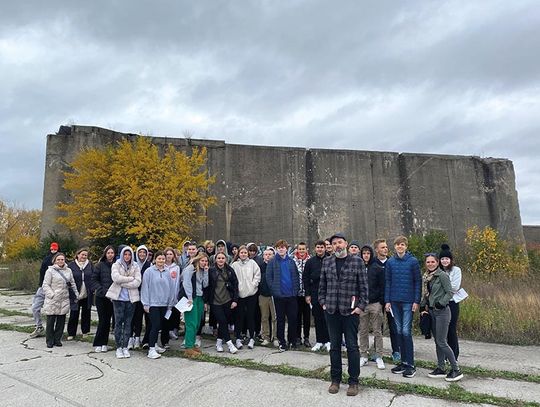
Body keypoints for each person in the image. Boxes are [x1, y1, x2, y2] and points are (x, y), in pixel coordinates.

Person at [319, 233, 368, 397]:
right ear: (331, 246)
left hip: (350, 312)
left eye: (340, 242)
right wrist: (323, 302)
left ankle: (353, 382)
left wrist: (360, 307)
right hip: (332, 310)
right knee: (334, 347)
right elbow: (322, 286)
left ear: (346, 244)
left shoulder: (357, 261)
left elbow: (364, 288)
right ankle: (335, 380)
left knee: (353, 347)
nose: (337, 245)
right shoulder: (327, 261)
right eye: (334, 243)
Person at [421, 253, 463, 382]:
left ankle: (456, 369)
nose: (430, 264)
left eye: (433, 262)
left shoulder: (442, 276)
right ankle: (441, 368)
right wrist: (423, 307)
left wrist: (442, 303)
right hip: (432, 312)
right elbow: (426, 294)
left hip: (442, 312)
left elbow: (450, 292)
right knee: (437, 342)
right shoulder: (426, 277)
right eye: (428, 262)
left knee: (442, 342)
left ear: (437, 262)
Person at [384, 236, 421, 378]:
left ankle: (411, 365)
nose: (400, 247)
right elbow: (388, 282)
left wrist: (416, 301)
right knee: (398, 331)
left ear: (406, 246)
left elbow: (417, 282)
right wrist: (387, 301)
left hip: (408, 302)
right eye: (398, 244)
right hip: (394, 301)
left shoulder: (413, 262)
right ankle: (403, 362)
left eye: (402, 244)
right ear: (394, 247)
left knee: (406, 331)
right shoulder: (390, 262)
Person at [106, 246, 142, 359]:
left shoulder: (135, 266)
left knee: (128, 323)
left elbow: (138, 281)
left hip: (131, 299)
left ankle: (125, 347)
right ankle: (118, 347)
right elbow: (115, 278)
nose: (127, 256)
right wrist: (130, 278)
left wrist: (124, 281)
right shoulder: (116, 265)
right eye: (125, 254)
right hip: (118, 298)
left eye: (129, 254)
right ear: (122, 255)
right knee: (118, 323)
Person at [141, 251, 177, 359]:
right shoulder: (149, 271)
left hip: (164, 304)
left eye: (163, 259)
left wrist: (170, 303)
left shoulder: (167, 272)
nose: (161, 261)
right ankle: (151, 349)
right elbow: (145, 288)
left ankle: (155, 345)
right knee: (155, 325)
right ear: (155, 259)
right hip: (153, 304)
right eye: (159, 258)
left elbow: (171, 288)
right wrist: (146, 303)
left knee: (158, 326)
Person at [266, 239, 300, 352]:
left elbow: (296, 276)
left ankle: (292, 341)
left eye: (283, 247)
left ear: (286, 249)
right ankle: (282, 342)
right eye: (279, 247)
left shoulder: (291, 262)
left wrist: (295, 291)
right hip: (279, 296)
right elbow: (268, 278)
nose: (281, 249)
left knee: (293, 319)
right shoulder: (272, 262)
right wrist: (274, 291)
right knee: (280, 320)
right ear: (276, 249)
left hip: (291, 296)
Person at [42, 252, 79, 348]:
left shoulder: (69, 271)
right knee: (51, 321)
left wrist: (76, 294)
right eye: (58, 259)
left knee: (61, 321)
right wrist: (51, 295)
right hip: (53, 299)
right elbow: (45, 285)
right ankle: (49, 340)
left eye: (62, 259)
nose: (60, 261)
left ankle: (57, 339)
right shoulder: (50, 271)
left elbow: (72, 283)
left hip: (64, 299)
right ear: (54, 261)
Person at [373, 239, 400, 363]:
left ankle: (396, 351)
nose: (385, 249)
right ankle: (377, 352)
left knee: (393, 325)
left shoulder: (392, 262)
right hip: (378, 300)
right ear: (377, 250)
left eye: (386, 247)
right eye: (382, 247)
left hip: (391, 300)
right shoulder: (373, 263)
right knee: (378, 327)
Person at [359, 245, 385, 369]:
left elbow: (382, 286)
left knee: (377, 331)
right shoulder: (358, 268)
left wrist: (381, 302)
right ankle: (363, 355)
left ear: (371, 254)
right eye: (364, 253)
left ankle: (379, 356)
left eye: (368, 253)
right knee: (363, 331)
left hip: (375, 303)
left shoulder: (377, 268)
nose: (366, 255)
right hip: (362, 304)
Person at [208, 252, 239, 354]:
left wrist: (235, 300)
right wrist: (206, 300)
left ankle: (219, 342)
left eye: (222, 258)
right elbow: (207, 286)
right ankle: (230, 344)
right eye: (219, 258)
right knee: (222, 321)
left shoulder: (230, 270)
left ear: (225, 259)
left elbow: (235, 285)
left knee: (224, 321)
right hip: (215, 301)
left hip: (227, 300)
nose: (221, 260)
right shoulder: (211, 270)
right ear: (215, 259)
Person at [232, 245, 261, 349]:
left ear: (248, 253)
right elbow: (232, 279)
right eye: (241, 253)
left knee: (251, 316)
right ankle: (238, 338)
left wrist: (253, 285)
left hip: (251, 294)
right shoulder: (235, 265)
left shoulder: (252, 263)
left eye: (245, 252)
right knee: (239, 317)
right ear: (238, 254)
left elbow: (257, 275)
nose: (243, 254)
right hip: (239, 295)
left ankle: (252, 337)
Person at [304, 240, 330, 352]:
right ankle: (319, 341)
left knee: (328, 319)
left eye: (322, 247)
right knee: (318, 318)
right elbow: (305, 278)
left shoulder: (330, 260)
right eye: (318, 247)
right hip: (315, 293)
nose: (320, 249)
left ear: (325, 248)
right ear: (315, 249)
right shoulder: (310, 262)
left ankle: (329, 341)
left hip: (329, 294)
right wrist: (307, 294)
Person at [181, 252, 210, 357]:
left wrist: (206, 272)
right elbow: (186, 283)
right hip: (191, 298)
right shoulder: (190, 269)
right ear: (198, 260)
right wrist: (189, 298)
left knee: (197, 323)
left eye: (206, 261)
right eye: (202, 261)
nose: (204, 263)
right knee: (191, 323)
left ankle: (192, 344)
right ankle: (188, 347)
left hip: (199, 298)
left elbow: (205, 284)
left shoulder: (203, 270)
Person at [29, 242, 59, 339]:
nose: (53, 251)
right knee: (35, 307)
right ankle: (39, 327)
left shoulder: (62, 260)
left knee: (54, 311)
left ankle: (55, 332)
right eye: (52, 249)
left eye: (55, 249)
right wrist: (41, 286)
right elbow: (42, 273)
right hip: (43, 287)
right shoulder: (46, 259)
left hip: (55, 289)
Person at [439, 244, 462, 360]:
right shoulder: (438, 271)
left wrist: (441, 289)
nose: (444, 261)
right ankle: (444, 356)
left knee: (451, 329)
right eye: (442, 259)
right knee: (442, 331)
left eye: (447, 259)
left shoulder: (456, 270)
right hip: (440, 304)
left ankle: (454, 356)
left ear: (451, 260)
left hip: (452, 303)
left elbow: (454, 287)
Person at [90, 245, 115, 353]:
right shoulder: (99, 265)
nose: (110, 255)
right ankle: (98, 343)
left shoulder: (117, 265)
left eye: (112, 253)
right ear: (105, 254)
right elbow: (94, 280)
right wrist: (101, 289)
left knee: (108, 320)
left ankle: (104, 343)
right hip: (101, 297)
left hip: (112, 297)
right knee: (102, 320)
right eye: (108, 253)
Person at [67, 247, 94, 340]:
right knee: (74, 313)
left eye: (86, 255)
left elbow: (93, 276)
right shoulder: (71, 265)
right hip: (75, 293)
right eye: (82, 254)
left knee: (86, 313)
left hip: (87, 292)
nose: (84, 256)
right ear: (77, 255)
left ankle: (85, 332)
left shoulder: (90, 264)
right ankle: (71, 333)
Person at [129, 245, 151, 350]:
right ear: (137, 253)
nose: (142, 254)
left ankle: (145, 339)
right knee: (135, 317)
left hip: (146, 295)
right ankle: (134, 337)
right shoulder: (133, 264)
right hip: (134, 293)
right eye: (140, 252)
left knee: (147, 318)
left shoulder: (149, 265)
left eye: (144, 253)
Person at [293, 242, 311, 347]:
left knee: (307, 317)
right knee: (297, 316)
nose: (301, 251)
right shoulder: (293, 261)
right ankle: (298, 337)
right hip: (296, 294)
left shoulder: (310, 260)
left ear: (306, 249)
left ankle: (306, 337)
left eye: (303, 249)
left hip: (307, 294)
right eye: (300, 249)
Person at [258, 247, 277, 346]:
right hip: (263, 295)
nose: (268, 256)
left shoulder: (276, 266)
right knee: (264, 317)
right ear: (263, 256)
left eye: (270, 254)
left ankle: (276, 337)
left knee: (275, 318)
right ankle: (266, 337)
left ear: (273, 255)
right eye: (266, 254)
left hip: (274, 295)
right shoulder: (260, 266)